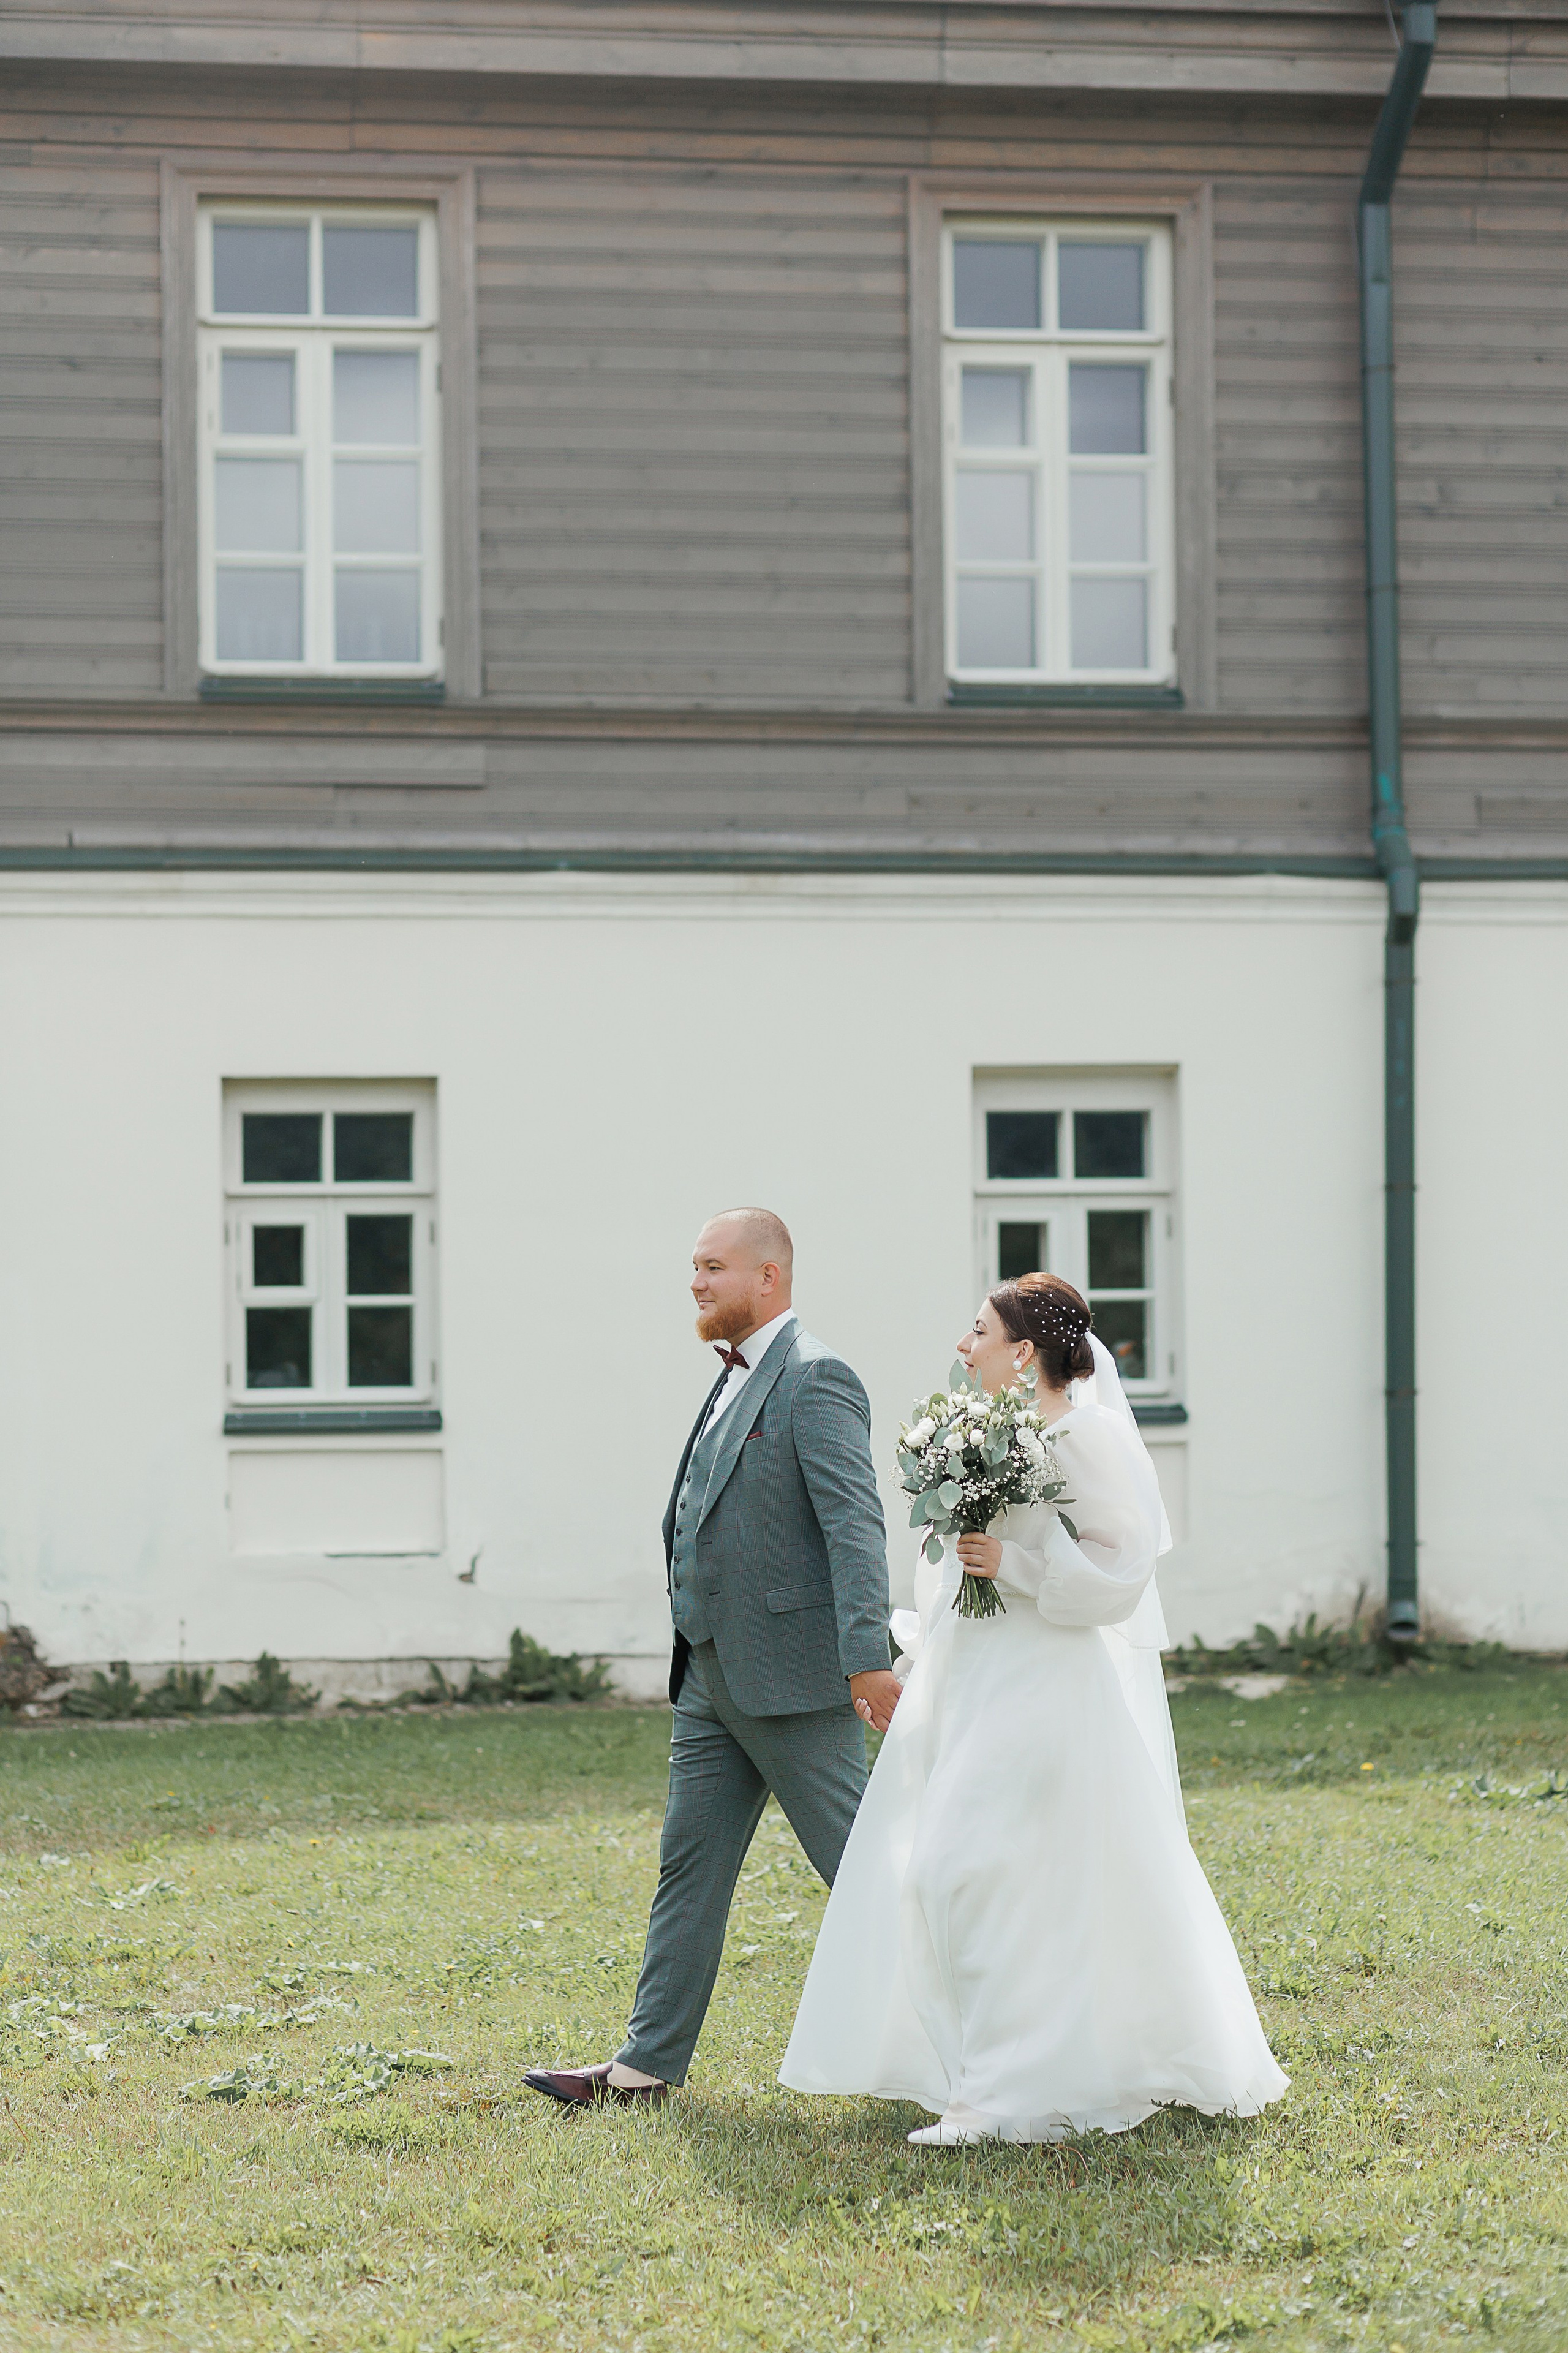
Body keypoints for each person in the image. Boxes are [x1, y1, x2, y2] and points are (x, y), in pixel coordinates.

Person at [780, 1272, 1288, 2146]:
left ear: (1023, 1351)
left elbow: (1123, 1572)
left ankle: (999, 2098)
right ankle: (982, 2071)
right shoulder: (988, 1431)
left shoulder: (1085, 1435)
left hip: (1048, 1681)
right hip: (975, 1675)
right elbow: (952, 1569)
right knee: (952, 1871)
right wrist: (912, 1659)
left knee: (975, 1868)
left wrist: (1010, 1566)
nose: (960, 1344)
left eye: (975, 1329)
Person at [524, 1207, 899, 2110]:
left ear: (769, 1277)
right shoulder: (732, 1378)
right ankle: (647, 2065)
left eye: (714, 1266)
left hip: (794, 1679)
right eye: (694, 1266)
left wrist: (868, 1657)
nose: (696, 1281)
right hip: (709, 1676)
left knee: (867, 1871)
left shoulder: (817, 1377)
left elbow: (856, 1526)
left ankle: (990, 2038)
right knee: (688, 1868)